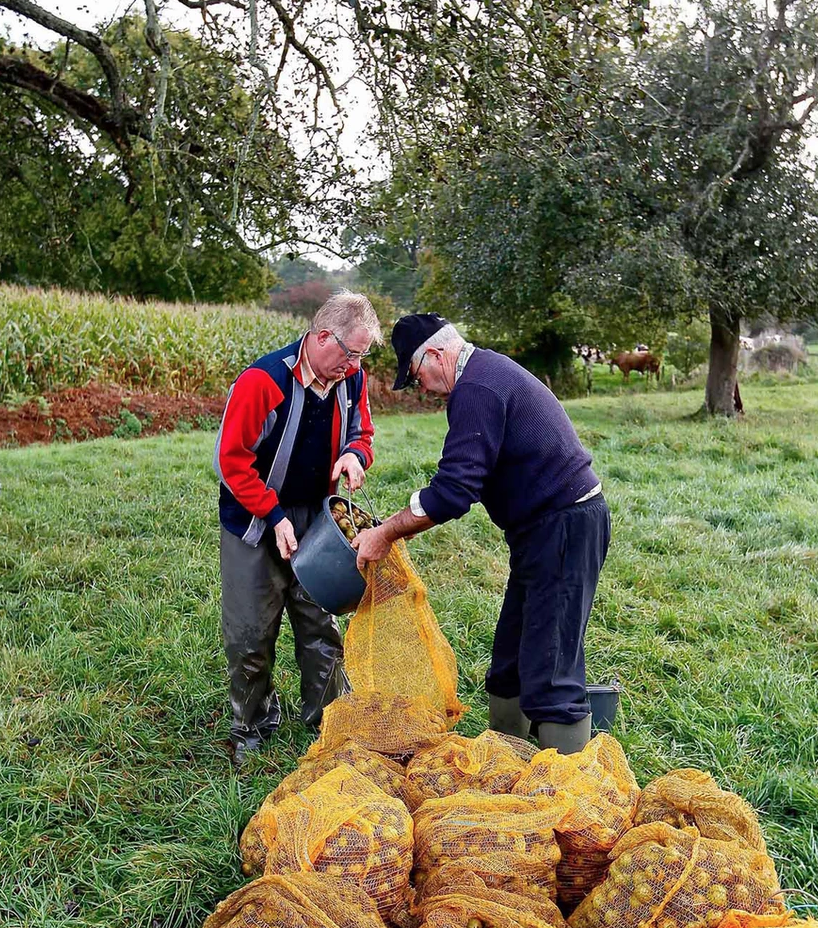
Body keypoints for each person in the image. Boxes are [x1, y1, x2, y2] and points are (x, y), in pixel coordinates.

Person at [352, 314, 610, 754]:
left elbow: (454, 491)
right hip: (537, 531)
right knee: (510, 660)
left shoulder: (477, 388)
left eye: (418, 378)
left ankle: (571, 794)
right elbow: (463, 479)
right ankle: (507, 760)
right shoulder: (482, 375)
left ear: (435, 354)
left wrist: (388, 532)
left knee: (551, 667)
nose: (425, 390)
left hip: (565, 525)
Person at [214, 290, 382, 764]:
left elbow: (362, 433)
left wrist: (354, 454)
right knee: (251, 631)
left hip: (318, 519)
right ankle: (251, 723)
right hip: (253, 519)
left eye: (362, 356)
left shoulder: (351, 380)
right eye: (351, 353)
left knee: (319, 622)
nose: (354, 365)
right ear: (323, 337)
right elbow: (231, 462)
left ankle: (328, 722)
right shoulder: (262, 381)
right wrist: (273, 515)